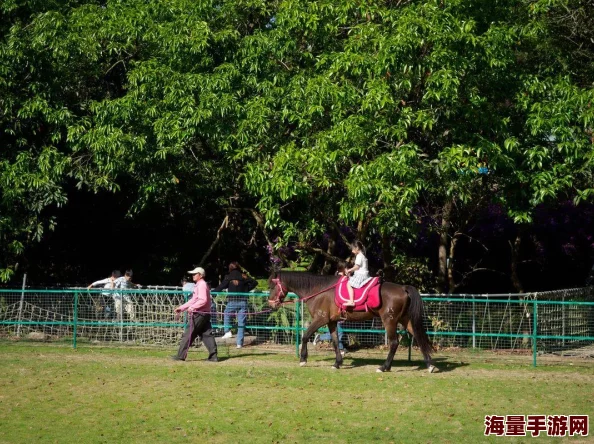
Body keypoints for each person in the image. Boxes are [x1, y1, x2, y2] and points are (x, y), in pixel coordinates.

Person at [172, 267, 218, 362]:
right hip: (204, 313)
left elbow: (203, 300)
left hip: (199, 314)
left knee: (188, 334)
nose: (192, 275)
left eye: (195, 274)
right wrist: (182, 308)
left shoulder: (201, 285)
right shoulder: (200, 285)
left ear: (200, 275)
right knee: (207, 335)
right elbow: (194, 300)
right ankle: (213, 357)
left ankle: (181, 356)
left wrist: (192, 308)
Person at [213, 261, 258, 349]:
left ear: (230, 268)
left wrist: (212, 292)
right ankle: (239, 344)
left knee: (226, 313)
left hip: (232, 301)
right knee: (241, 322)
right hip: (243, 302)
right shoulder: (243, 276)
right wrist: (246, 289)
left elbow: (221, 287)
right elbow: (255, 282)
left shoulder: (228, 277)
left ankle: (227, 331)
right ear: (238, 268)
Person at [344, 241, 371, 307]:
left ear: (357, 248)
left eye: (353, 249)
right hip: (365, 275)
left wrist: (349, 270)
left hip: (361, 276)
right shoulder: (363, 256)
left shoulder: (359, 256)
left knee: (348, 284)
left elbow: (357, 266)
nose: (352, 251)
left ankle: (351, 301)